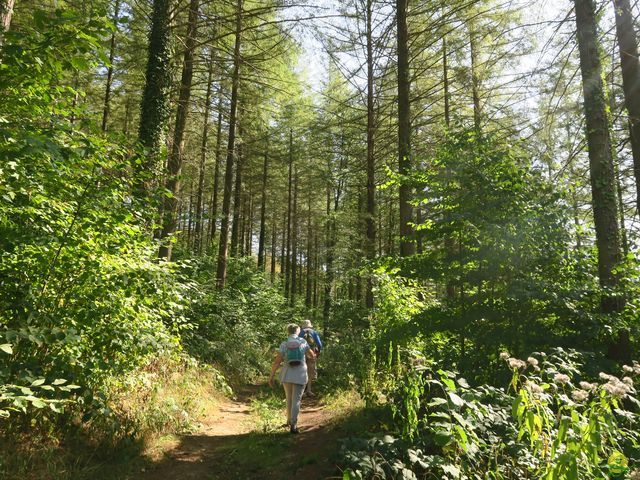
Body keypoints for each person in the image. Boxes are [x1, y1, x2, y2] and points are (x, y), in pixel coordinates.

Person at [268, 323, 316, 434]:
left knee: (288, 398)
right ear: (298, 331)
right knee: (296, 400)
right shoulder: (303, 342)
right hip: (300, 374)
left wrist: (271, 376)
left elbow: (277, 362)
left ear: (288, 332)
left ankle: (288, 420)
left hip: (287, 374)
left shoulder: (284, 344)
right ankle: (293, 425)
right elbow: (311, 355)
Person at [298, 319, 322, 396]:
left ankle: (302, 391)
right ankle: (309, 390)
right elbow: (319, 344)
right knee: (310, 372)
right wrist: (318, 353)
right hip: (312, 353)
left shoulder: (300, 333)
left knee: (302, 371)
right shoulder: (314, 332)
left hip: (302, 353)